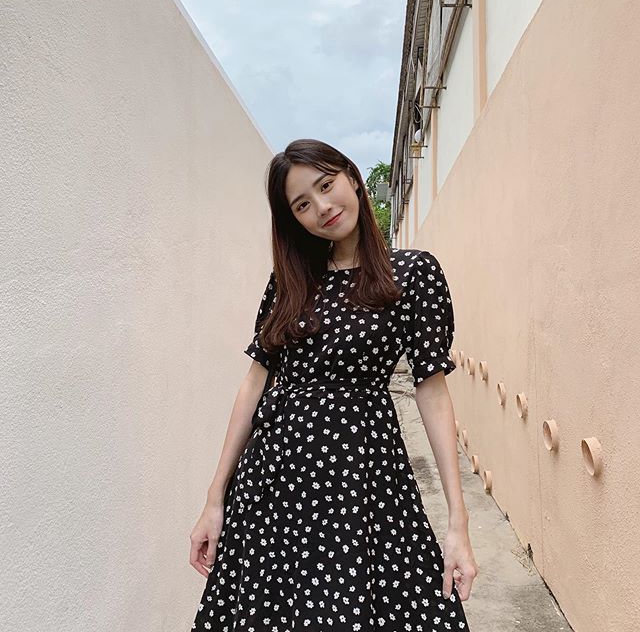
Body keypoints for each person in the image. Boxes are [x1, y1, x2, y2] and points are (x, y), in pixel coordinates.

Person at [189, 138, 478, 630]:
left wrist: (458, 519)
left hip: (363, 482)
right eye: (302, 204)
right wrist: (215, 498)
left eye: (326, 186)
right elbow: (254, 385)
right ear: (293, 221)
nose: (322, 207)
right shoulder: (290, 281)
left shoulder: (412, 273)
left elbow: (431, 390)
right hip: (273, 485)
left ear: (353, 179)